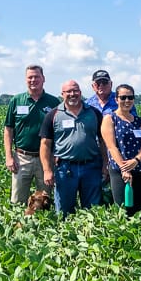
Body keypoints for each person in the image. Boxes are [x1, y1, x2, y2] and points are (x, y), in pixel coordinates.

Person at [39, 80, 106, 217]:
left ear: (80, 93)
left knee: (93, 211)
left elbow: (103, 141)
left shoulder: (94, 113)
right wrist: (47, 170)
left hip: (91, 167)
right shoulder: (53, 115)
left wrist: (105, 165)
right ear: (62, 94)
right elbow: (45, 144)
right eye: (68, 91)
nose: (72, 94)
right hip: (65, 168)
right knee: (64, 211)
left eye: (75, 90)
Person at [3, 64, 60, 205]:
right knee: (18, 200)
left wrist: (57, 154)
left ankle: (44, 225)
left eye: (36, 77)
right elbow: (8, 129)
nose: (33, 80)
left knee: (45, 200)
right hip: (22, 157)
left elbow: (59, 131)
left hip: (46, 159)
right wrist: (9, 156)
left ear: (43, 79)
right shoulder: (16, 101)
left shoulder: (53, 102)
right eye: (30, 77)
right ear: (25, 80)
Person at [101, 84, 141, 215]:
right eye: (123, 97)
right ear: (116, 99)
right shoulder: (110, 118)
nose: (127, 101)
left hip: (139, 169)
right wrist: (125, 169)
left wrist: (136, 160)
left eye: (130, 97)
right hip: (120, 171)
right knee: (124, 208)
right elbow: (111, 146)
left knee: (139, 209)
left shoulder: (138, 121)